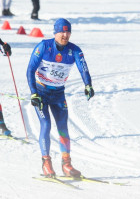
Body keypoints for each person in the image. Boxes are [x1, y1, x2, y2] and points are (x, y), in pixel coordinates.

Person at [26, 18, 95, 178]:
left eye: (68, 31)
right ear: (55, 32)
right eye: (62, 32)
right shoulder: (44, 46)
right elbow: (30, 70)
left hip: (58, 94)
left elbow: (83, 68)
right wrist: (33, 92)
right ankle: (46, 163)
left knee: (63, 128)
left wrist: (88, 85)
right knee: (46, 124)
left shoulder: (74, 50)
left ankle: (66, 164)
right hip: (41, 92)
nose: (65, 35)